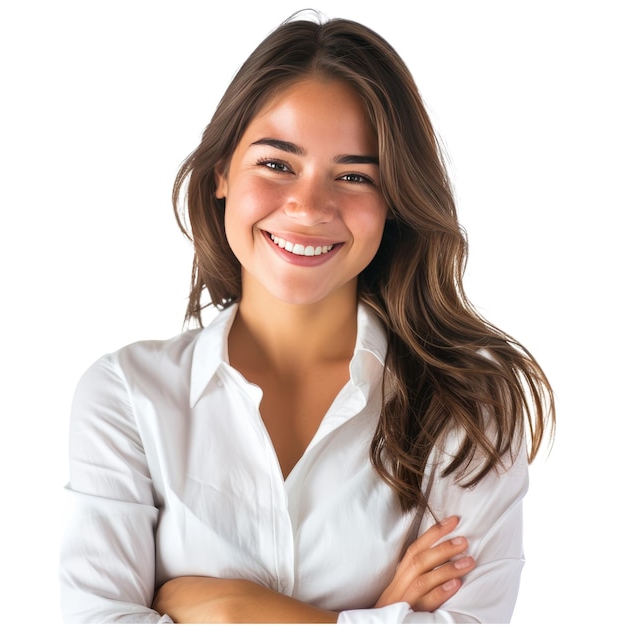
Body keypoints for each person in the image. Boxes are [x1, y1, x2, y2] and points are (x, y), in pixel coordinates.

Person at [59, 11, 555, 624]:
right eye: (276, 163)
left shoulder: (467, 410)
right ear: (221, 173)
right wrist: (382, 615)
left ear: (393, 201)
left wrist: (229, 611)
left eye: (352, 176)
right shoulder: (125, 397)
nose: (309, 206)